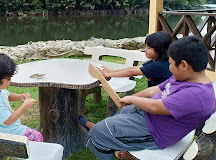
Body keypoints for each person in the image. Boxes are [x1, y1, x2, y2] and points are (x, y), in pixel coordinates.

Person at [78, 36, 215, 160]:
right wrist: (133, 97)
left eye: (171, 63)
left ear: (184, 65)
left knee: (98, 133)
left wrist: (132, 99)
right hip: (148, 117)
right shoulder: (185, 77)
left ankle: (103, 137)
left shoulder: (196, 95)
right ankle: (113, 140)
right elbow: (154, 89)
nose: (169, 67)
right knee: (124, 113)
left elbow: (155, 107)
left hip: (155, 132)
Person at [0, 53, 43, 142]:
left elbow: (8, 96)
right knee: (38, 137)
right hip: (8, 134)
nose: (10, 81)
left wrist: (20, 96)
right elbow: (8, 121)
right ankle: (30, 155)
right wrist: (24, 106)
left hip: (10, 129)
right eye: (8, 79)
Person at [98, 31, 172, 87]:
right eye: (145, 46)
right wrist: (111, 71)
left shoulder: (158, 66)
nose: (145, 50)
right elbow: (134, 68)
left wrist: (108, 74)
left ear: (160, 50)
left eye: (149, 48)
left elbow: (131, 72)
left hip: (160, 100)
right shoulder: (157, 61)